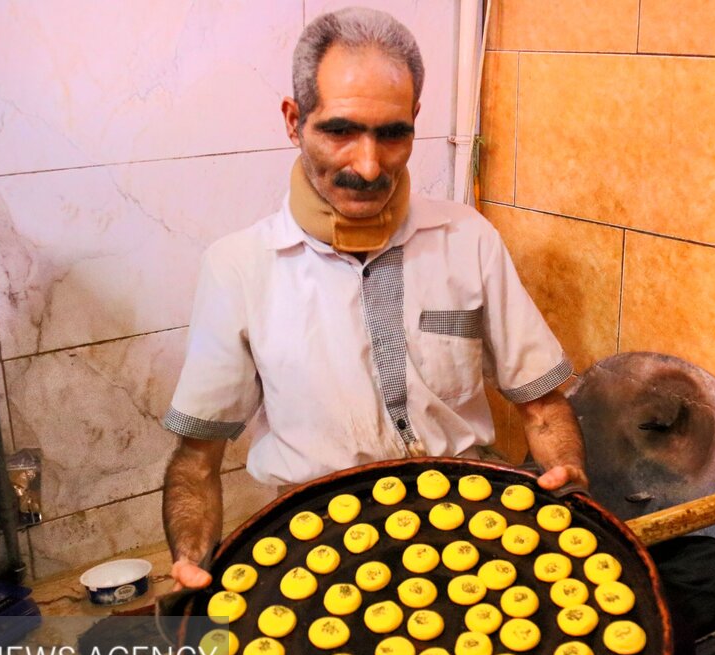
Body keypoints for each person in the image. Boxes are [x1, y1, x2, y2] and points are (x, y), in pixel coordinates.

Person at [162, 7, 586, 592]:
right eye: (340, 131)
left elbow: (543, 408)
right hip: (322, 546)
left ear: (415, 120)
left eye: (392, 134)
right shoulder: (239, 268)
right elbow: (197, 461)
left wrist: (569, 475)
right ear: (293, 121)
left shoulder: (468, 240)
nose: (368, 165)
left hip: (470, 522)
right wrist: (191, 556)